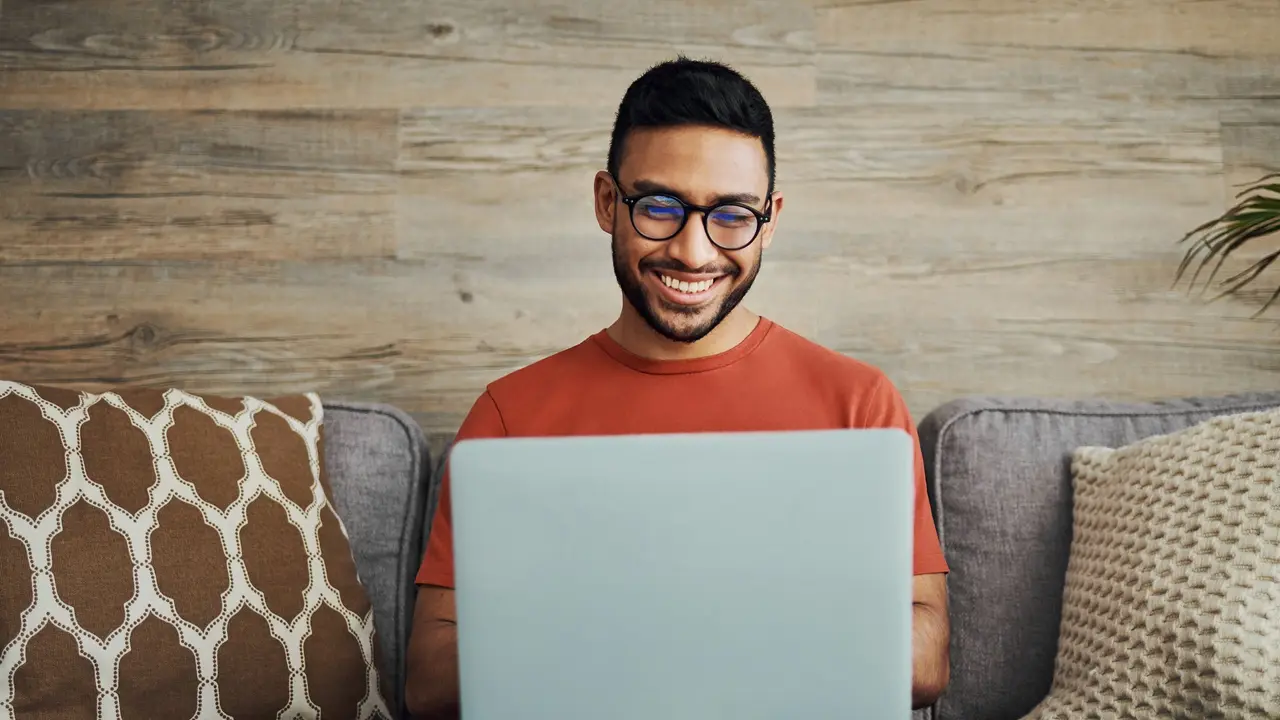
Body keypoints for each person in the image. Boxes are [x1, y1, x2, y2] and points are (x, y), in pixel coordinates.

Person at [405, 57, 950, 719]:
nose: (693, 252)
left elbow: (926, 661)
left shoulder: (858, 402)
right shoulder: (511, 414)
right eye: (659, 207)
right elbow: (430, 679)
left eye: (731, 215)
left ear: (770, 219)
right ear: (609, 202)